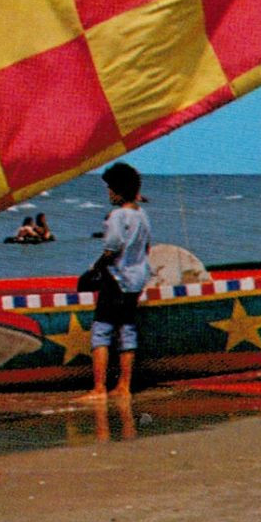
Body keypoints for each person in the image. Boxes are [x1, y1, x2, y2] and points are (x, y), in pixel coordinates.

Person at [86, 161, 152, 401]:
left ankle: (99, 388)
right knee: (127, 329)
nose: (108, 193)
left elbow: (112, 248)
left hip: (116, 280)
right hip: (137, 279)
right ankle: (124, 386)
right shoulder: (142, 215)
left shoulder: (117, 216)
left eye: (109, 188)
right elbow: (146, 247)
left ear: (117, 190)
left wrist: (93, 270)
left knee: (102, 330)